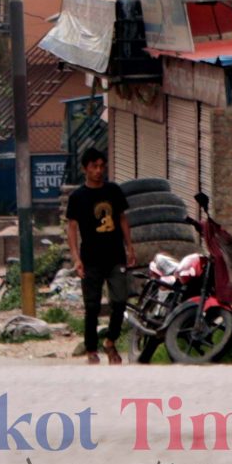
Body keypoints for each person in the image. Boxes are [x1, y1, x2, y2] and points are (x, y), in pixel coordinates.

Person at [65, 148, 131, 365]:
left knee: (120, 301)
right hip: (90, 259)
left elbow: (122, 219)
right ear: (85, 169)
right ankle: (91, 349)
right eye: (94, 166)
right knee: (92, 306)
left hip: (115, 256)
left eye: (102, 166)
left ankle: (111, 341)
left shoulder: (113, 191)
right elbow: (72, 228)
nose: (98, 170)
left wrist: (130, 247)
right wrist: (76, 258)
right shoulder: (77, 197)